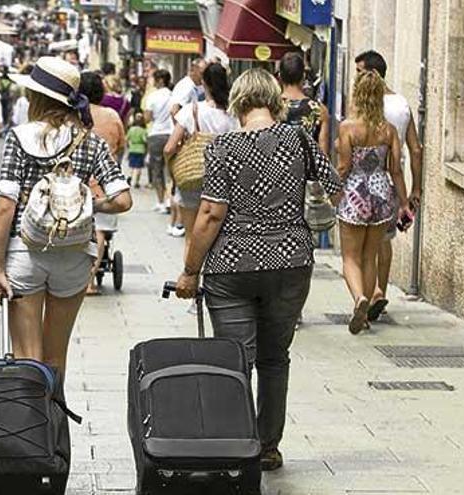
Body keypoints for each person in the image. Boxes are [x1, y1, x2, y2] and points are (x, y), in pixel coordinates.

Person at [173, 68, 341, 471]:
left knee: (235, 359)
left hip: (232, 266)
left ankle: (235, 442)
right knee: (274, 358)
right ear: (275, 100)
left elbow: (211, 213)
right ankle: (268, 446)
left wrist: (190, 270)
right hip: (290, 261)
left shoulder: (222, 147)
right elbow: (333, 182)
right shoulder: (298, 137)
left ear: (238, 103)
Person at [0, 56, 132, 375]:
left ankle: (29, 423)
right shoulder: (90, 141)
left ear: (36, 97)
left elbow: (5, 206)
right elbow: (123, 200)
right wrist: (91, 206)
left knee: (28, 357)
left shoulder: (21, 137)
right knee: (56, 360)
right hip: (76, 255)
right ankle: (55, 423)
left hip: (26, 252)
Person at [336, 70, 412, 335]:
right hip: (381, 194)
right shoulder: (388, 130)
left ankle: (359, 298)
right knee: (370, 255)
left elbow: (344, 167)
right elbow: (396, 171)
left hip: (356, 193)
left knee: (350, 256)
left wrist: (333, 191)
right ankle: (366, 314)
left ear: (357, 95)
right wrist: (404, 203)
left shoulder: (347, 127)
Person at [355, 50, 424, 321]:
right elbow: (415, 149)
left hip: (365, 181)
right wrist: (416, 189)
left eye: (360, 72)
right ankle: (379, 290)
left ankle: (364, 293)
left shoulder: (364, 104)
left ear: (372, 73)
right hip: (395, 182)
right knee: (384, 238)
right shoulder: (403, 104)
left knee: (362, 242)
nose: (356, 78)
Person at [164, 63, 239, 250]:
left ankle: (191, 276)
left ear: (203, 83)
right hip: (223, 181)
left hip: (193, 178)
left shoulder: (192, 110)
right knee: (218, 237)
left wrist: (172, 168)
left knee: (191, 237)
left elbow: (169, 148)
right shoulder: (234, 114)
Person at [79, 71, 127, 296]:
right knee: (100, 230)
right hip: (105, 183)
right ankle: (89, 282)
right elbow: (121, 145)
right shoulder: (111, 115)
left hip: (77, 182)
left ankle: (80, 279)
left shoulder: (74, 115)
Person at [280, 52, 330, 152]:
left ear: (280, 76)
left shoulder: (270, 108)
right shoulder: (319, 110)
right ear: (303, 76)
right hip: (308, 166)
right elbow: (323, 154)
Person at [144, 69, 174, 213]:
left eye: (155, 79)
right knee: (171, 170)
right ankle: (170, 200)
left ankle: (161, 201)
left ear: (160, 80)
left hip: (156, 134)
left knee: (157, 170)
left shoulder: (153, 96)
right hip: (172, 134)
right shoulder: (174, 95)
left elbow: (147, 118)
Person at [126, 112, 147, 188]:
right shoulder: (143, 130)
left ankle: (130, 179)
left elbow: (127, 139)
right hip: (140, 150)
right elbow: (145, 140)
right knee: (138, 167)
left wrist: (128, 146)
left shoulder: (131, 129)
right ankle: (136, 182)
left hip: (132, 149)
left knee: (132, 166)